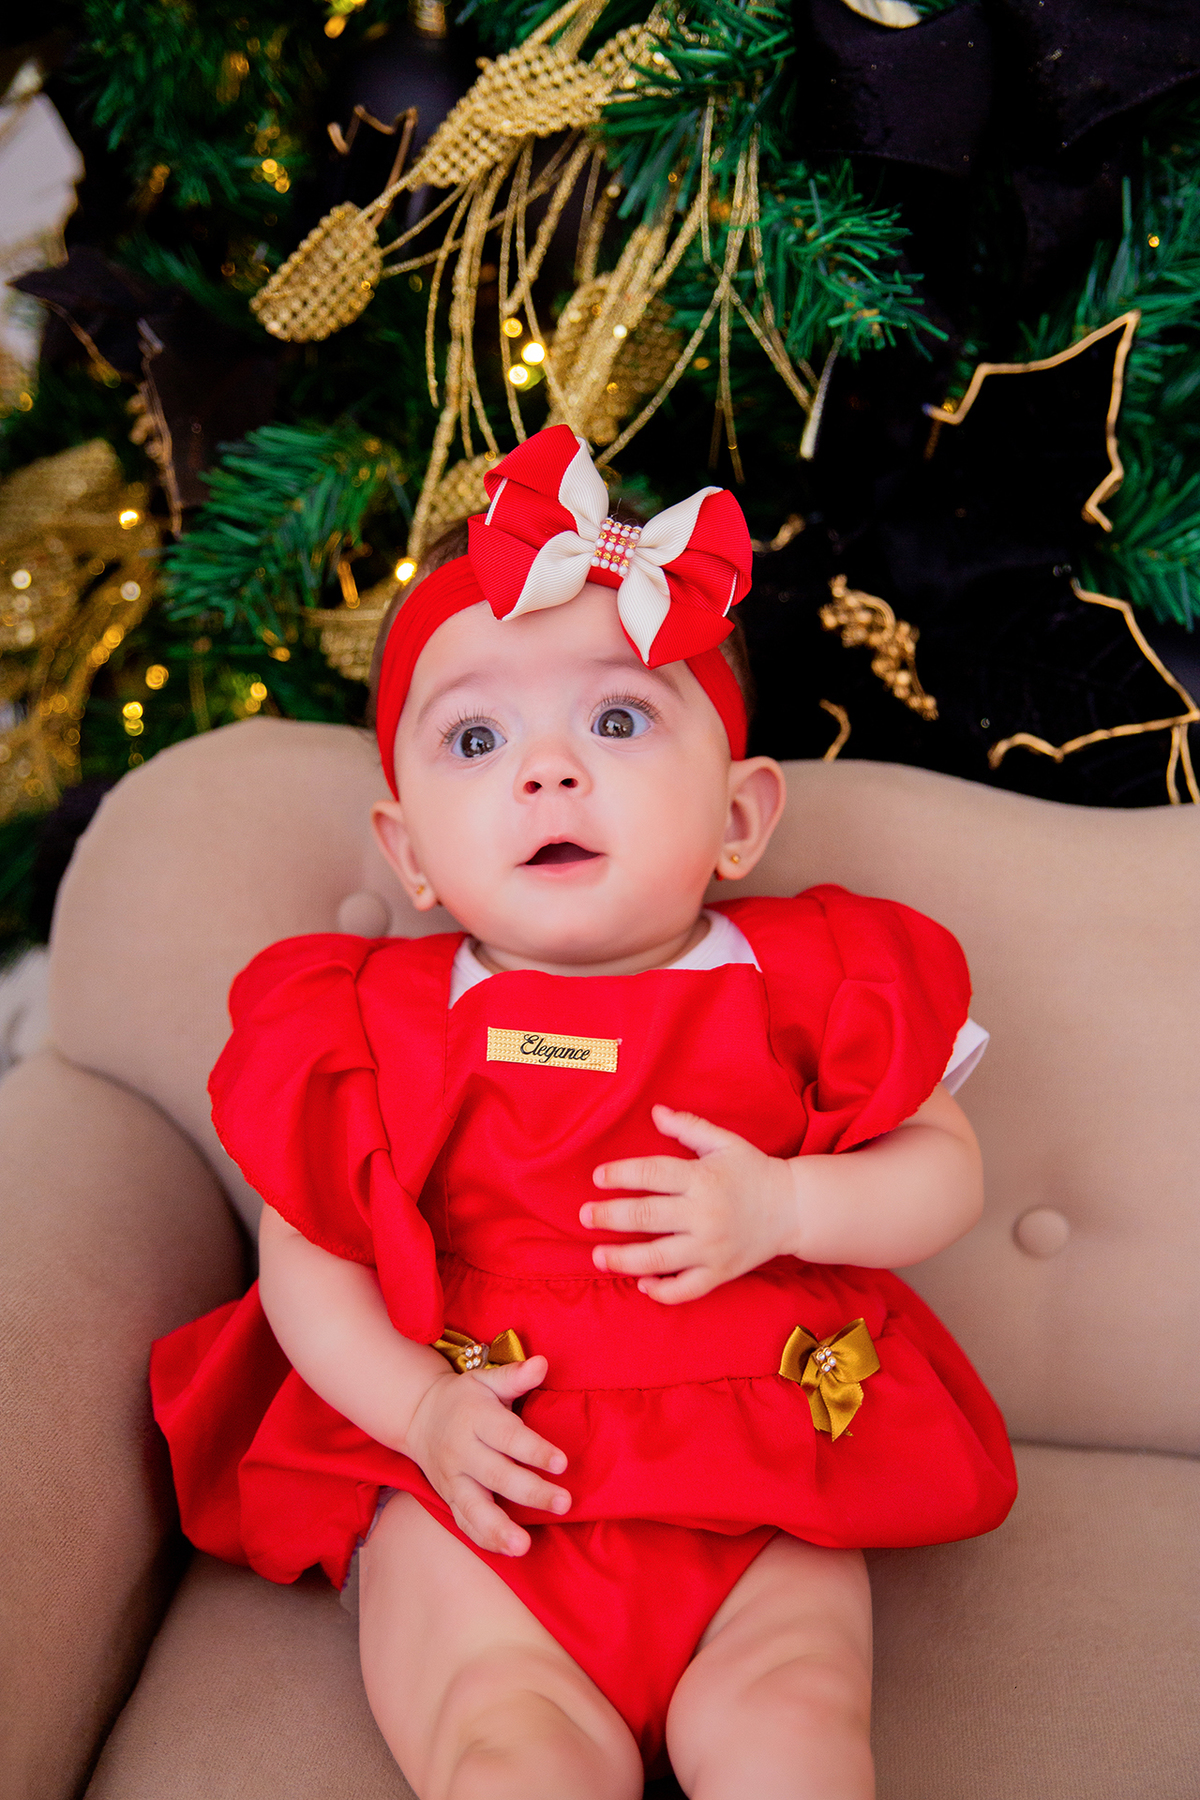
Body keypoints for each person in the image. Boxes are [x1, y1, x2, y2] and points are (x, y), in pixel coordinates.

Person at [152, 424, 1017, 1800]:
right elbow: (307, 1249)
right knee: (511, 1755)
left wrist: (793, 1204)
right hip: (486, 1483)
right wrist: (419, 1411)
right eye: (478, 738)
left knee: (794, 1735)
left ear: (740, 817)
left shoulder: (812, 978)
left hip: (762, 1477)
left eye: (616, 720)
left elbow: (943, 1169)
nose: (547, 772)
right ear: (409, 851)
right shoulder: (374, 1021)